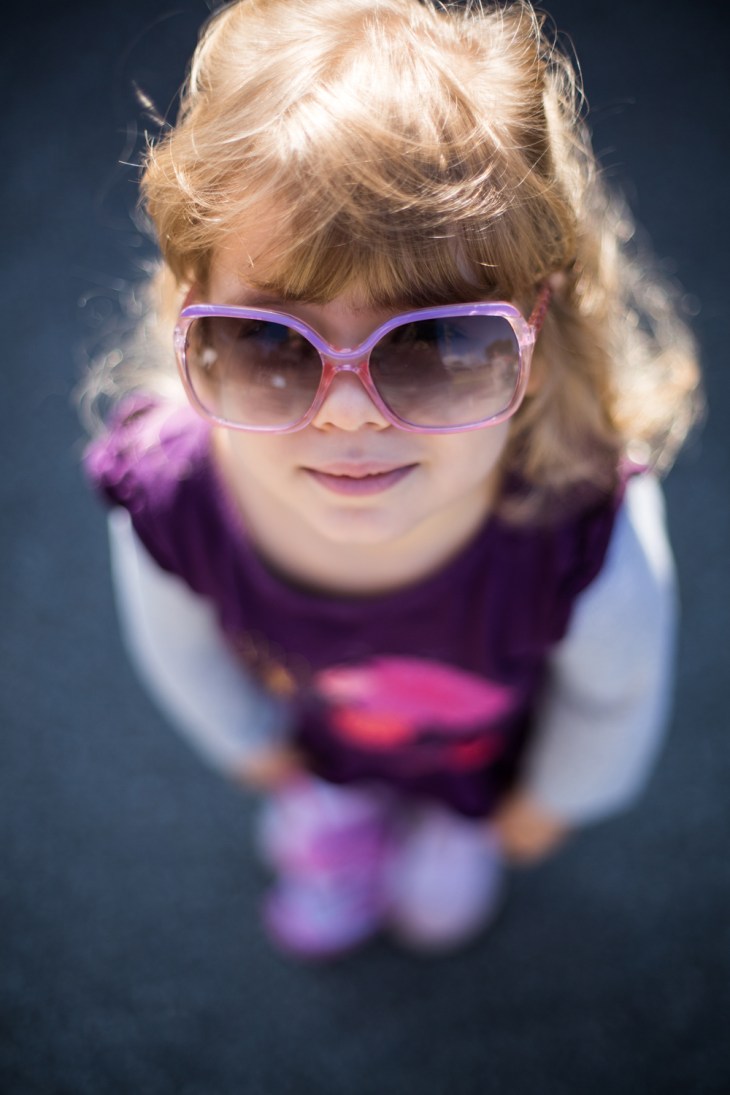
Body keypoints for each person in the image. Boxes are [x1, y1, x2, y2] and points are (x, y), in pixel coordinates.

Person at [83, 0, 701, 958]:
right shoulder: (175, 499)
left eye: (435, 342)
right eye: (271, 343)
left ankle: (450, 835)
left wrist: (546, 805)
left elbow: (612, 698)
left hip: (482, 773)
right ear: (191, 321)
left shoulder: (584, 534)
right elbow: (178, 651)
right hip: (319, 747)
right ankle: (338, 822)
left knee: (442, 907)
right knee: (325, 812)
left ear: (534, 339)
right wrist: (255, 749)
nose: (348, 411)